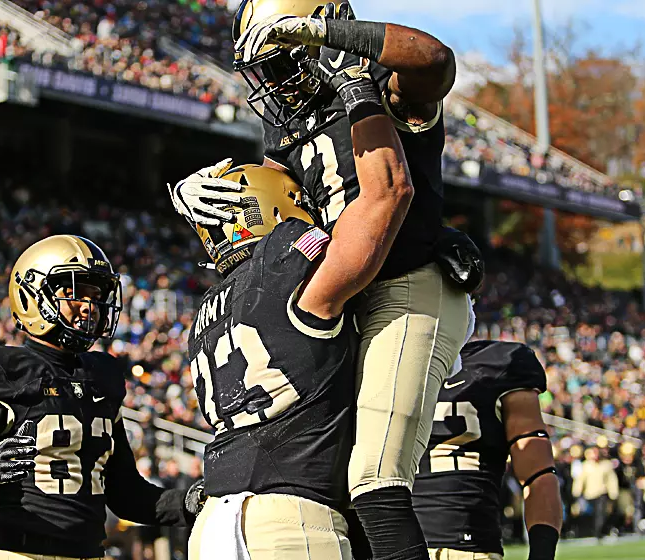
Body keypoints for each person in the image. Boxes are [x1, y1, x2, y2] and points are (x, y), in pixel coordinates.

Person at [169, 3, 481, 557]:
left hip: (403, 288)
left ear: (316, 32)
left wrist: (340, 46)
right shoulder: (290, 120)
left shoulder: (376, 82)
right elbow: (282, 206)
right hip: (351, 292)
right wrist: (197, 199)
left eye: (282, 60)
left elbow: (434, 61)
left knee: (375, 480)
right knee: (333, 484)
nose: (272, 82)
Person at [187, 52, 413, 559]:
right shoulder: (288, 270)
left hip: (213, 523)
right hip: (289, 516)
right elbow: (387, 195)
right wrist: (357, 91)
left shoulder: (205, 311)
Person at [0, 235, 199, 560]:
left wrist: (188, 502)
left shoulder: (102, 377)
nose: (89, 306)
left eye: (96, 295)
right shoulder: (2, 372)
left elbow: (126, 493)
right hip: (20, 554)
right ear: (33, 295)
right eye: (74, 293)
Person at [411, 341, 562, 560]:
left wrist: (542, 554)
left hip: (466, 548)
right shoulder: (377, 357)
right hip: (385, 544)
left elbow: (538, 474)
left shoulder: (497, 362)